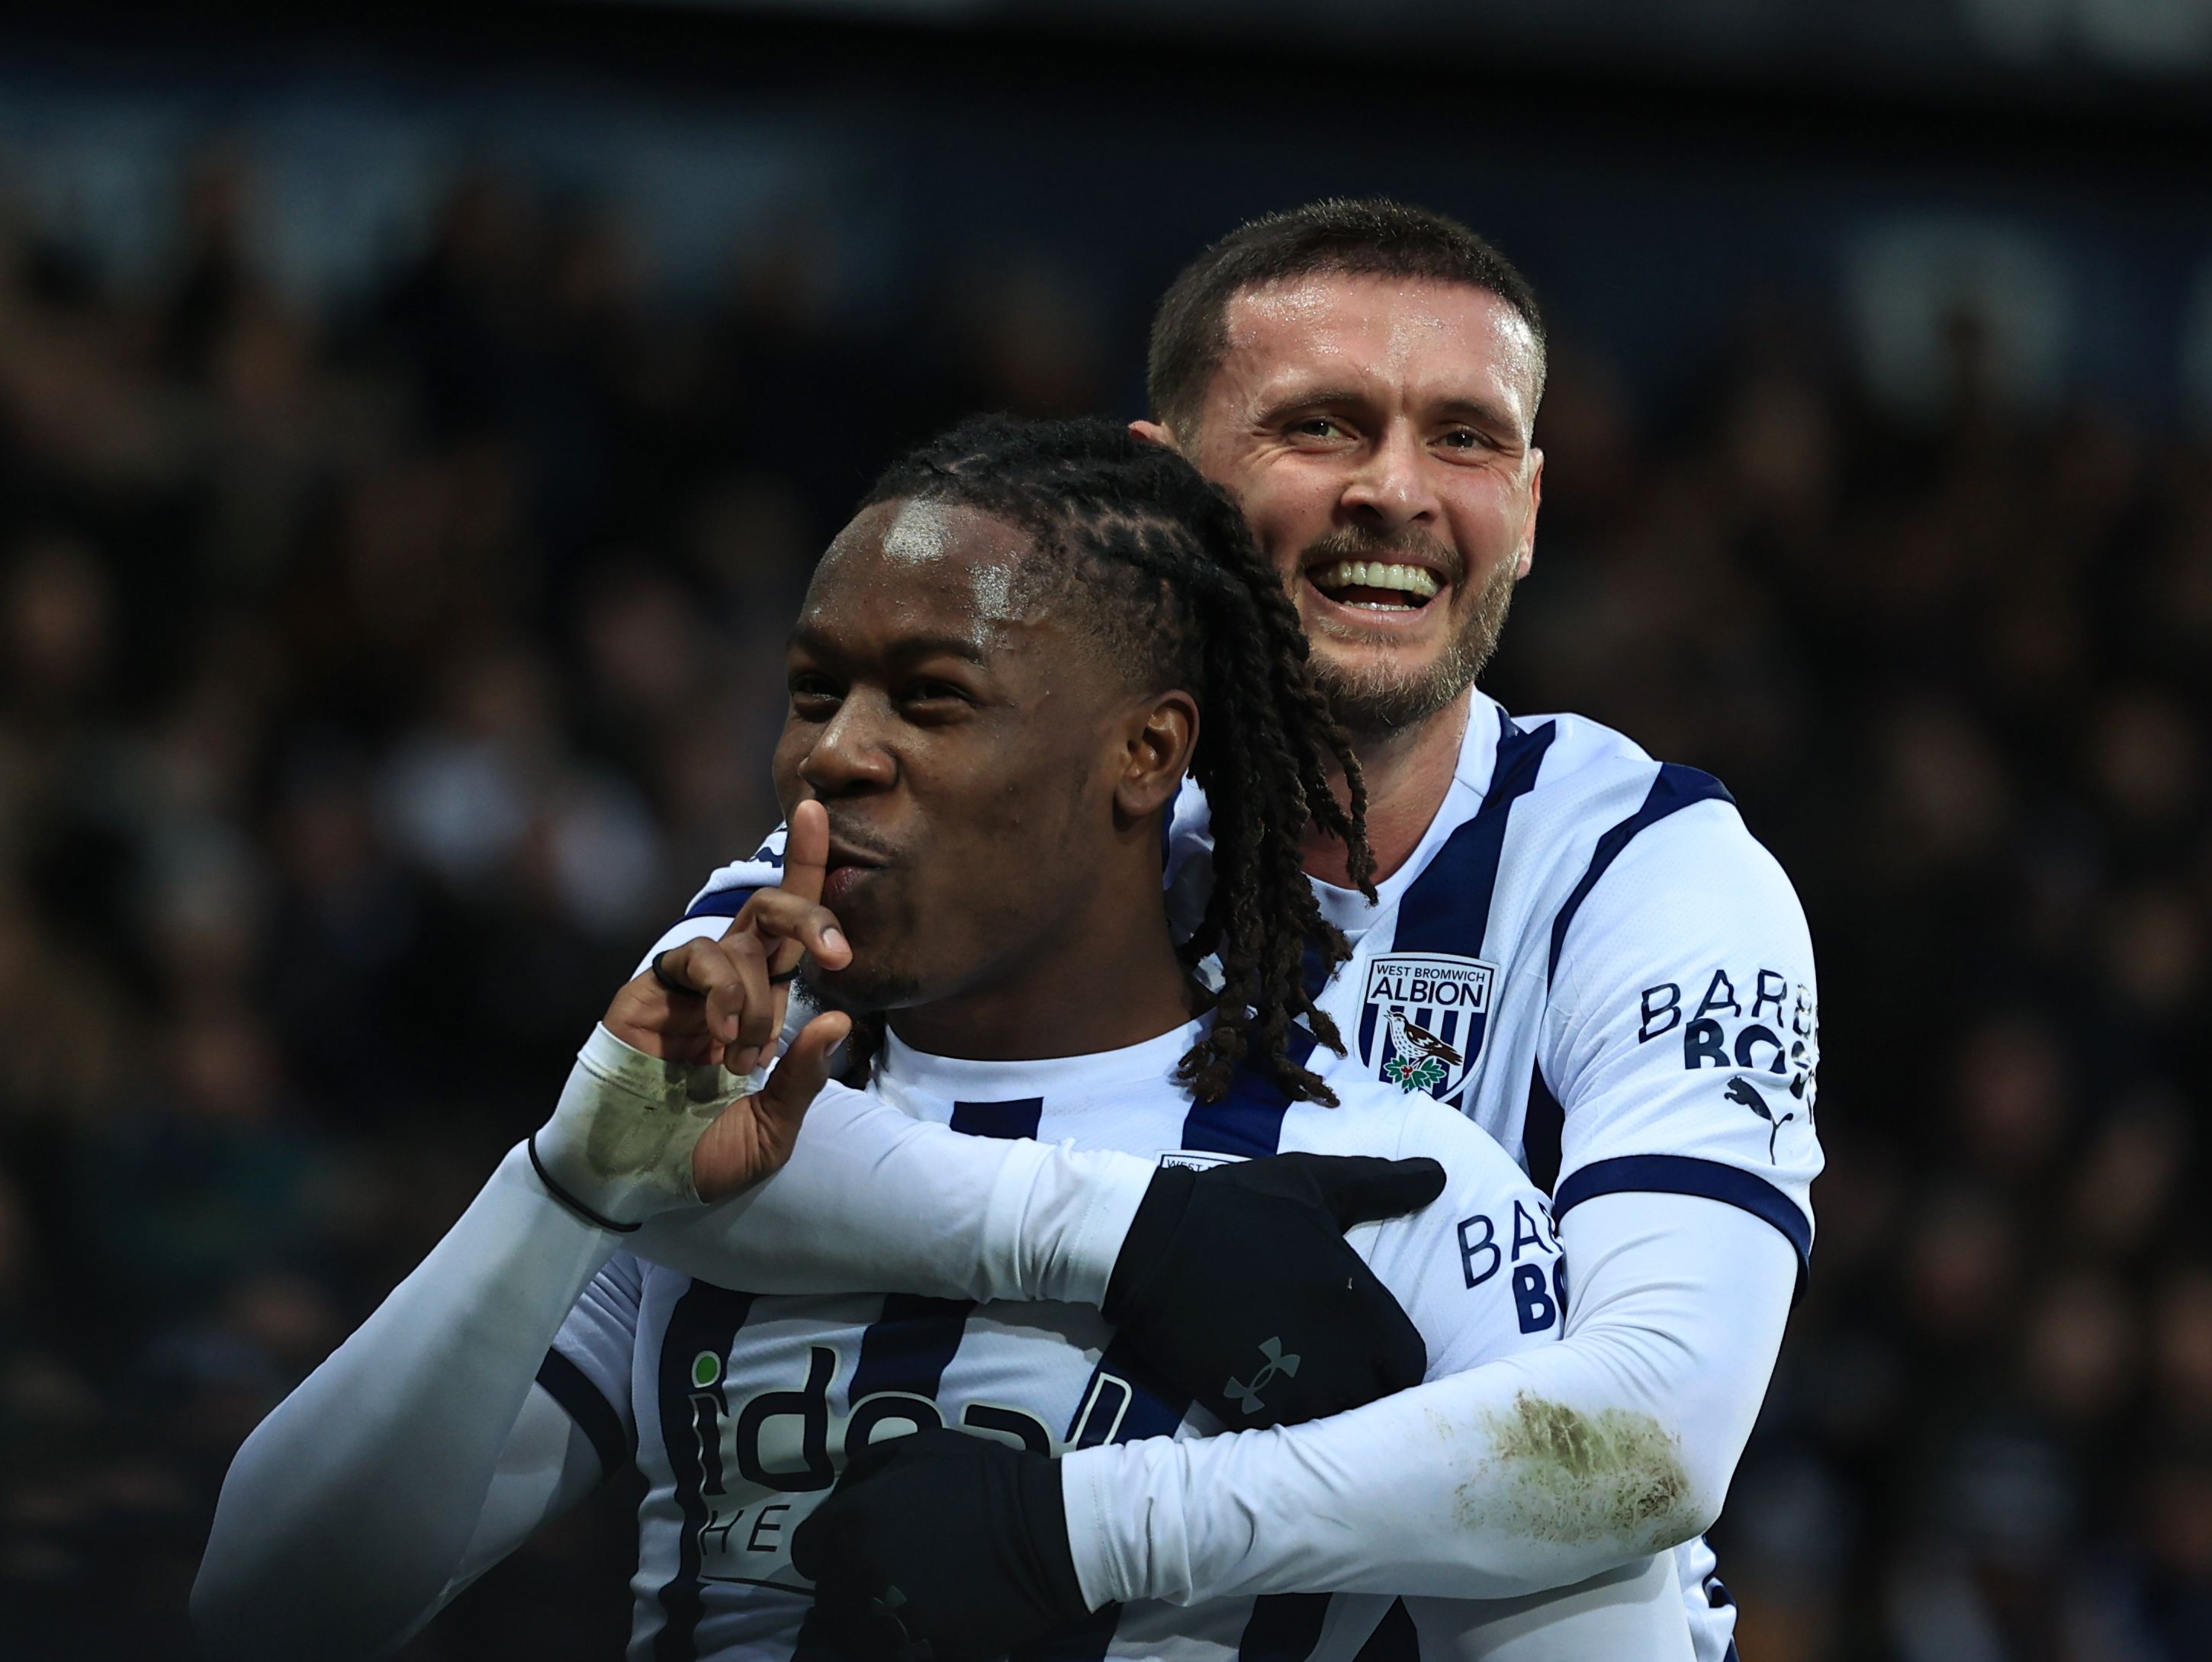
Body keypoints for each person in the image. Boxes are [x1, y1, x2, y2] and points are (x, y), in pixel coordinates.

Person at [194, 416, 1681, 1660]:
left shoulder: (1395, 1187)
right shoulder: (724, 1144)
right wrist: (565, 1185)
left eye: (932, 698)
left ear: (1144, 751)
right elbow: (267, 1611)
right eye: (812, 692)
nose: (835, 752)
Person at [674, 201, 1821, 1662]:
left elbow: (1655, 1433)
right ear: (1169, 496)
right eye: (1321, 427)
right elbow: (657, 1112)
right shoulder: (1023, 791)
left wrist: (1088, 1530)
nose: (1396, 492)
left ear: (1529, 510)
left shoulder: (1652, 875)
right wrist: (1135, 1235)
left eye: (1463, 439)